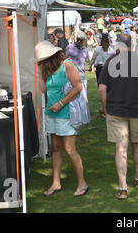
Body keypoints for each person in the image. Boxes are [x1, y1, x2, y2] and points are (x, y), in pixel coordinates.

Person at [98, 33, 138, 199]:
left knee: (121, 147)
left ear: (117, 45)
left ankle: (123, 187)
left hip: (116, 111)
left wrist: (105, 107)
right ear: (131, 45)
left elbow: (102, 89)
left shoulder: (110, 62)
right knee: (137, 143)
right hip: (137, 110)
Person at [35, 41, 89, 197]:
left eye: (42, 60)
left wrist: (61, 103)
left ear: (51, 56)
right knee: (56, 148)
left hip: (66, 112)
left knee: (70, 149)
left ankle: (82, 183)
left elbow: (78, 87)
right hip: (52, 113)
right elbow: (45, 90)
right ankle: (56, 183)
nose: (40, 63)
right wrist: (39, 73)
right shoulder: (47, 69)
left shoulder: (67, 64)